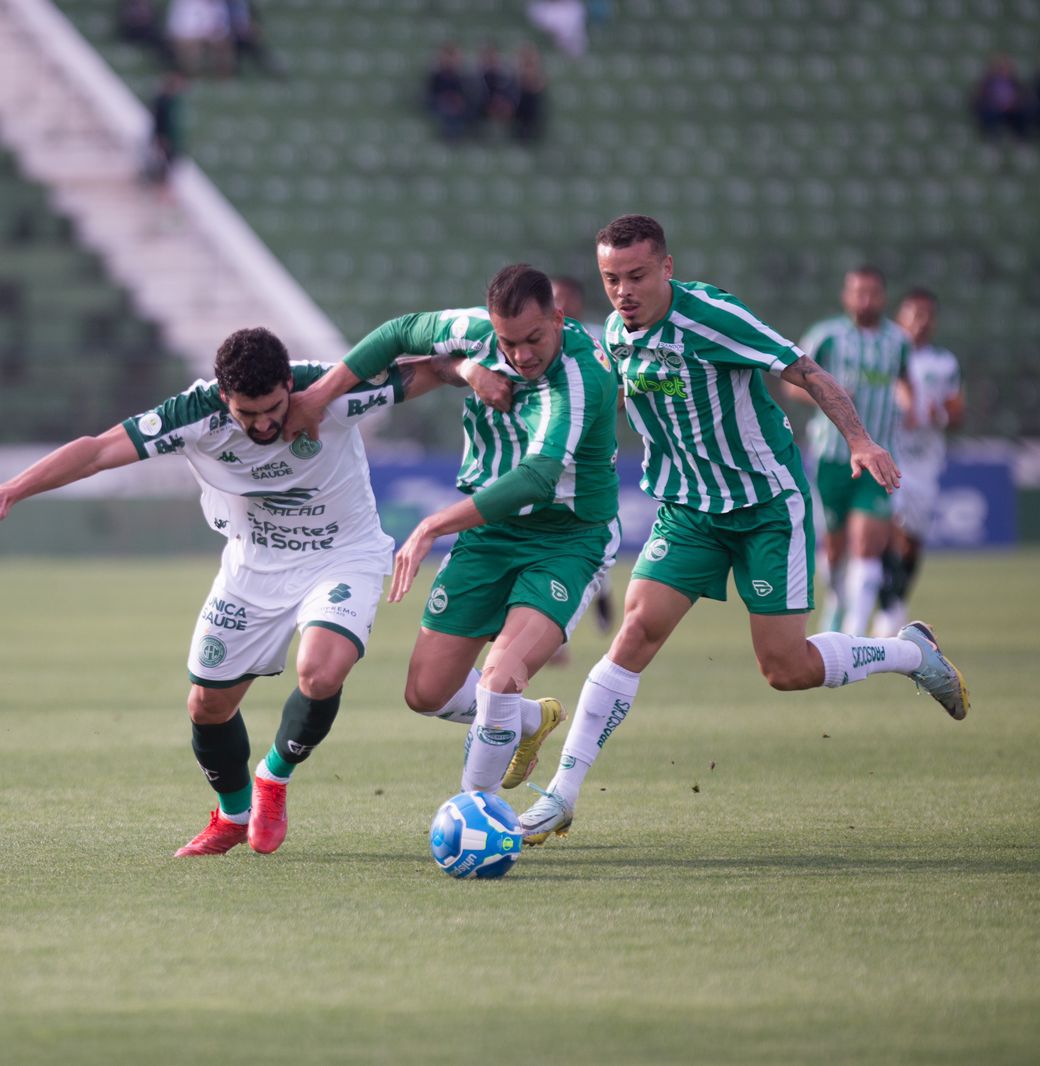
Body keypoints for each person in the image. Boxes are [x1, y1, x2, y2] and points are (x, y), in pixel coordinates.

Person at [516, 215, 969, 846]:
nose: (624, 291)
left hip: (764, 506)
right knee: (635, 632)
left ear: (667, 268)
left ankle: (909, 653)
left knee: (785, 668)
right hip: (688, 508)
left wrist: (860, 440)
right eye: (612, 278)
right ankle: (561, 795)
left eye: (638, 276)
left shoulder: (711, 317)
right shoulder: (614, 335)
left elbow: (805, 370)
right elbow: (617, 399)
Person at [0, 327, 453, 856]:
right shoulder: (193, 415)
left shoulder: (327, 388)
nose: (264, 424)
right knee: (207, 706)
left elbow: (433, 368)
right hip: (253, 565)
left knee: (320, 670)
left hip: (342, 554)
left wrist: (479, 370)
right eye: (246, 414)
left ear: (286, 384)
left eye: (274, 408)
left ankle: (273, 779)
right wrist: (10, 492)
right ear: (223, 395)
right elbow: (96, 452)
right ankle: (233, 814)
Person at [287, 265, 621, 800]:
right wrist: (319, 396)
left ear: (559, 317)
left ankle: (478, 813)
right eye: (509, 343)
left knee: (498, 680)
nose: (522, 356)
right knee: (426, 692)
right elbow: (397, 335)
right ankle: (531, 722)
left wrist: (432, 525)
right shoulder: (478, 334)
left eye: (535, 338)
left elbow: (535, 478)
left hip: (567, 538)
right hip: (489, 535)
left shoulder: (579, 378)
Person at [793, 266, 913, 636]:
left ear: (884, 296)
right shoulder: (826, 337)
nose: (865, 300)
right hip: (832, 457)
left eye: (872, 292)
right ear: (846, 296)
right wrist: (831, 396)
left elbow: (906, 385)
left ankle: (853, 632)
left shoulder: (899, 341)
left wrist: (910, 406)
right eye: (858, 292)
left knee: (866, 545)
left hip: (880, 455)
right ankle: (836, 600)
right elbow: (794, 385)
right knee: (833, 548)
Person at [874, 288, 964, 636]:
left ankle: (897, 598)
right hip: (888, 454)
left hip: (925, 462)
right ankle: (885, 607)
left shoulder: (945, 363)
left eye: (927, 315)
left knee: (912, 539)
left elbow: (957, 411)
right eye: (914, 313)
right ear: (900, 316)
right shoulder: (884, 352)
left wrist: (937, 412)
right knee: (886, 525)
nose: (920, 321)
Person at [550, 274, 614, 635]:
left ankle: (599, 589)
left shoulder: (597, 337)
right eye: (551, 296)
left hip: (589, 455)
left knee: (589, 526)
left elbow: (621, 385)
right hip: (548, 451)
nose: (557, 304)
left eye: (562, 297)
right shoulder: (535, 341)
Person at [425, 43, 471, 142]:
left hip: (458, 106)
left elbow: (467, 94)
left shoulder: (462, 76)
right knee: (448, 112)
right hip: (440, 104)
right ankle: (449, 137)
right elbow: (431, 93)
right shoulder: (437, 75)